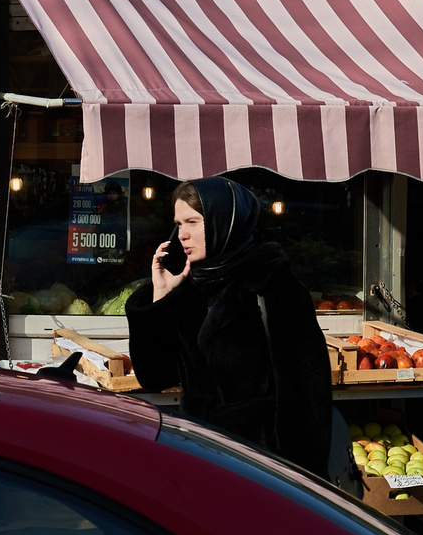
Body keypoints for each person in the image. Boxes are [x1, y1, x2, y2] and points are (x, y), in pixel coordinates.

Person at [125, 176, 334, 475]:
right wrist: (160, 297)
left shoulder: (272, 286)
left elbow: (307, 399)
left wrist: (300, 482)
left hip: (260, 465)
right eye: (179, 224)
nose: (182, 235)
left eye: (193, 222)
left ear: (225, 221)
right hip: (200, 456)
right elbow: (154, 377)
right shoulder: (189, 286)